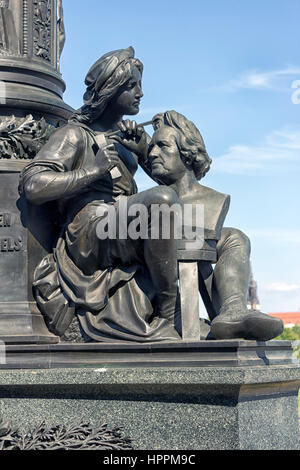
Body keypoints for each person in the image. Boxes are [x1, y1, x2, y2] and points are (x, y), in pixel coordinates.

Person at [20, 47, 181, 343]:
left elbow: (169, 179)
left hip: (120, 220)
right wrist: (92, 172)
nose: (141, 93)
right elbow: (33, 184)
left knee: (222, 233)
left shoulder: (126, 136)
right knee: (161, 202)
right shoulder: (73, 135)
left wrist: (143, 151)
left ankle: (225, 313)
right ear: (112, 89)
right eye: (133, 85)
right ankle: (169, 315)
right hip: (90, 229)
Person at [139, 110, 283, 341]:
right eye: (151, 148)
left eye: (163, 146)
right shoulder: (150, 202)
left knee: (236, 237)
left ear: (187, 154)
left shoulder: (213, 199)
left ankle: (233, 309)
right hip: (158, 294)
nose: (153, 154)